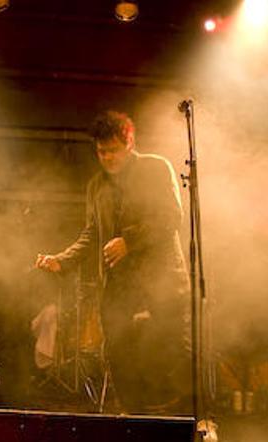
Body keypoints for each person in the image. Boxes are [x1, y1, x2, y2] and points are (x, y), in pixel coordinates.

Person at [35, 111, 190, 414]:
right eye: (101, 151)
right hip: (119, 285)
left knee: (169, 353)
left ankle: (182, 420)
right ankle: (132, 417)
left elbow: (171, 216)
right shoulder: (96, 186)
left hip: (161, 282)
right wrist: (61, 260)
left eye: (113, 150)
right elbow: (92, 233)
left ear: (129, 142)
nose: (107, 157)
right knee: (118, 353)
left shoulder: (156, 168)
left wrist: (129, 241)